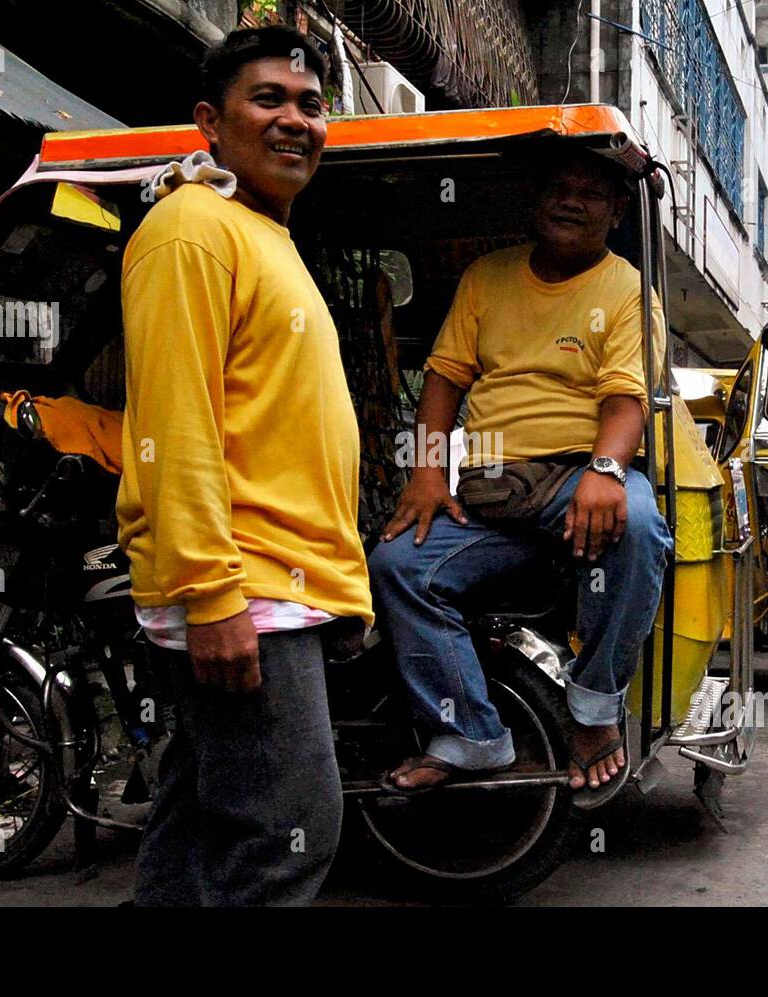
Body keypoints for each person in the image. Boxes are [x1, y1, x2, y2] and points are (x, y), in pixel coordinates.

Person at [116, 26, 372, 905]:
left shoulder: (255, 231)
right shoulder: (191, 230)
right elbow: (175, 427)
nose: (295, 120)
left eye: (311, 104)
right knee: (287, 835)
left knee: (197, 828)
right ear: (210, 123)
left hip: (271, 583)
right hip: (245, 589)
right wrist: (212, 595)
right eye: (268, 100)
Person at [367, 148, 671, 804]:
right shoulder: (487, 276)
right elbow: (444, 379)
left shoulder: (624, 289)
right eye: (557, 186)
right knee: (397, 563)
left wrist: (606, 468)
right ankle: (469, 735)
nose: (571, 201)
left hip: (577, 477)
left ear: (616, 210)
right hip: (492, 490)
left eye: (590, 193)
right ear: (534, 201)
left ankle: (593, 712)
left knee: (641, 522)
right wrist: (426, 475)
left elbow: (627, 401)